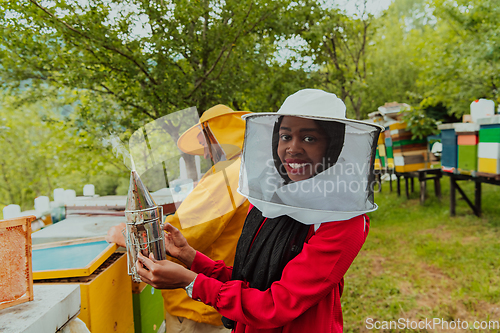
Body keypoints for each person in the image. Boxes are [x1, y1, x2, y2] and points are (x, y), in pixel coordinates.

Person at [135, 89, 384, 332]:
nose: (293, 148)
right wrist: (191, 257)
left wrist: (191, 282)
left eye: (309, 138)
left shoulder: (342, 221)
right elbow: (252, 276)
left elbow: (276, 304)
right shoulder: (269, 201)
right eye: (285, 136)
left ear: (334, 146)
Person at [106, 105, 251, 333]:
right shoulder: (247, 170)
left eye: (205, 143)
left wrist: (125, 235)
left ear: (219, 134)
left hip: (198, 309)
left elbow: (182, 235)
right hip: (224, 294)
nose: (204, 153)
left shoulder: (227, 176)